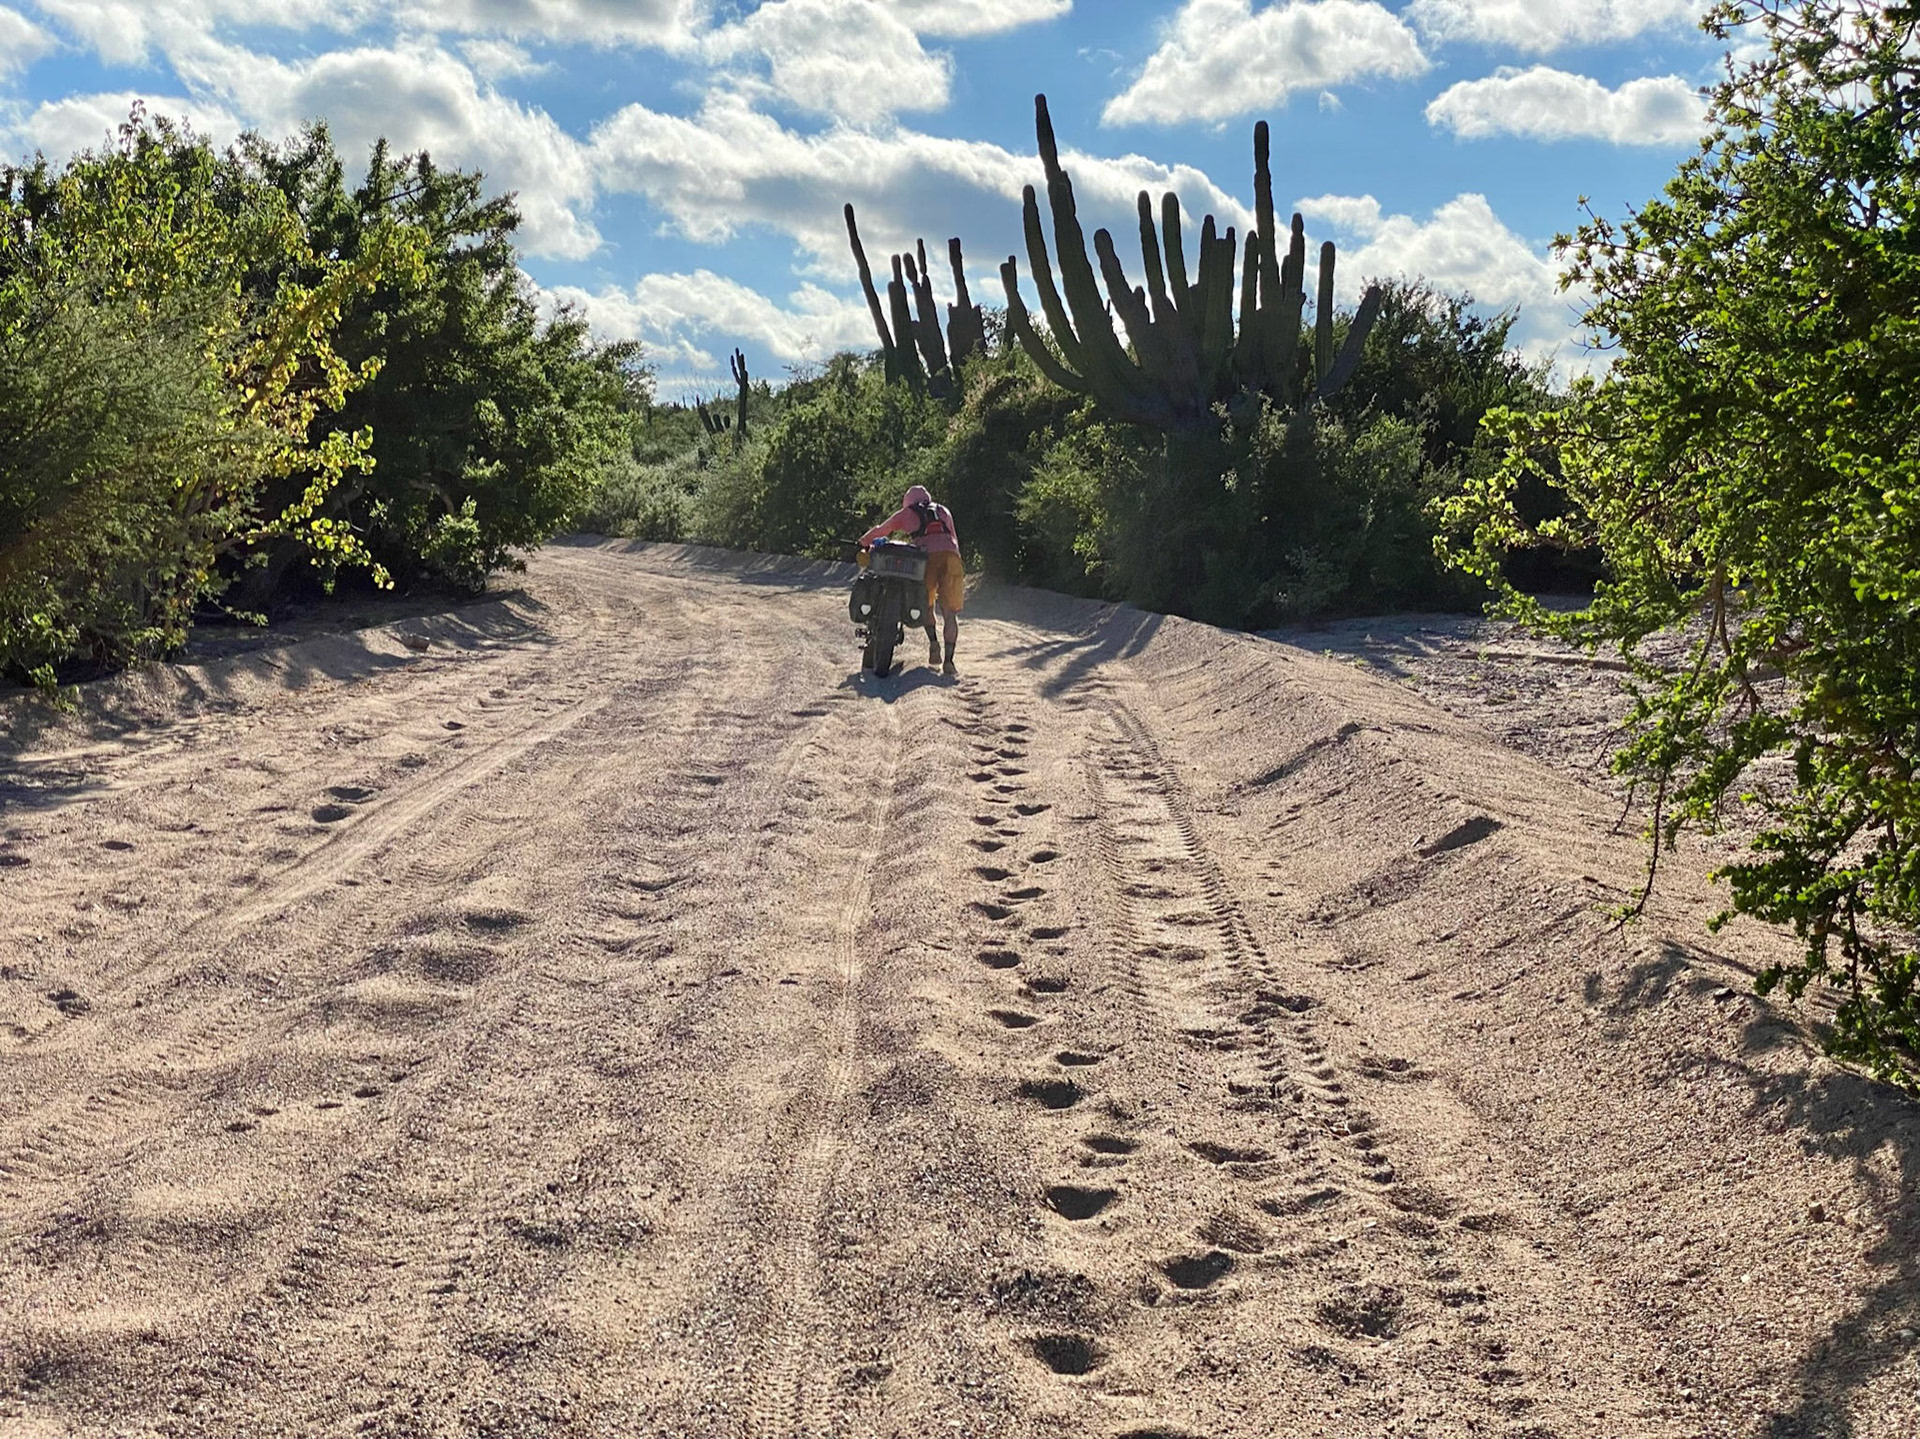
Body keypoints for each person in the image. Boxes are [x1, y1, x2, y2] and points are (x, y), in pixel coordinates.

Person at [859, 484, 963, 676]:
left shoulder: (908, 514)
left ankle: (933, 644)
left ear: (908, 501)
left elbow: (882, 530)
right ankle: (949, 662)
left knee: (927, 604)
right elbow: (953, 537)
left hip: (927, 557)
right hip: (951, 557)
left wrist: (864, 541)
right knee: (950, 613)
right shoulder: (943, 511)